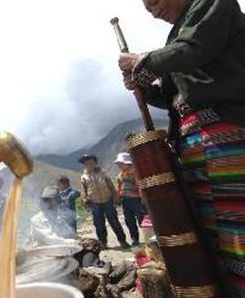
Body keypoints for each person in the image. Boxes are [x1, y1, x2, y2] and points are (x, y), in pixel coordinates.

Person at [118, 0, 245, 294]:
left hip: (227, 135)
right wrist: (145, 88)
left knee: (236, 226)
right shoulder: (176, 35)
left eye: (154, 1)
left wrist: (143, 62)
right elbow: (172, 97)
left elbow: (195, 48)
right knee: (210, 230)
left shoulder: (213, 5)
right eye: (146, 6)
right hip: (194, 144)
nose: (151, 10)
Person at [79, 154, 129, 249]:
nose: (89, 164)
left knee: (114, 221)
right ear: (84, 165)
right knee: (99, 224)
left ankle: (122, 241)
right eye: (86, 163)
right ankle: (103, 243)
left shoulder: (102, 173)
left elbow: (110, 186)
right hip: (94, 203)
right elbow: (83, 190)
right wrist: (85, 199)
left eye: (91, 162)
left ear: (95, 163)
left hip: (107, 201)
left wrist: (115, 196)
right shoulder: (84, 177)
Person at [114, 152, 146, 247]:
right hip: (125, 200)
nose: (119, 165)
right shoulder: (120, 175)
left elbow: (140, 185)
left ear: (127, 163)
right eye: (118, 163)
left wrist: (143, 198)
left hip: (136, 199)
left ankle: (148, 238)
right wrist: (118, 197)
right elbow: (119, 187)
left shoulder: (135, 172)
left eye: (121, 163)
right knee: (129, 221)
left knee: (142, 219)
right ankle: (135, 239)